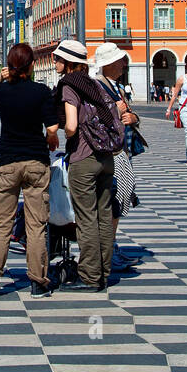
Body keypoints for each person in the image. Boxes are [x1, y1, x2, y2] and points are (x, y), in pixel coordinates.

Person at [0, 43, 60, 299]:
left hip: (8, 162)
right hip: (36, 162)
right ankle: (37, 283)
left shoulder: (1, 90)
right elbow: (54, 126)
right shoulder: (41, 91)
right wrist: (50, 138)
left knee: (2, 223)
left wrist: (1, 78)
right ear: (32, 65)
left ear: (10, 66)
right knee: (36, 225)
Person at [53, 39, 121, 292]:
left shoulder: (69, 85)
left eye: (59, 58)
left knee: (86, 218)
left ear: (70, 62)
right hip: (106, 157)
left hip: (84, 157)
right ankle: (104, 272)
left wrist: (65, 136)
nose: (55, 62)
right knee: (104, 214)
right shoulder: (94, 84)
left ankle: (90, 276)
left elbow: (71, 125)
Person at [91, 43, 144, 273]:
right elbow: (93, 116)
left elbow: (128, 115)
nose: (124, 63)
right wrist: (115, 108)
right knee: (111, 201)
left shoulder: (117, 86)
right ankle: (107, 251)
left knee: (120, 199)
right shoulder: (99, 86)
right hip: (110, 153)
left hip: (122, 150)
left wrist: (133, 117)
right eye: (120, 60)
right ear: (108, 64)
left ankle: (111, 246)